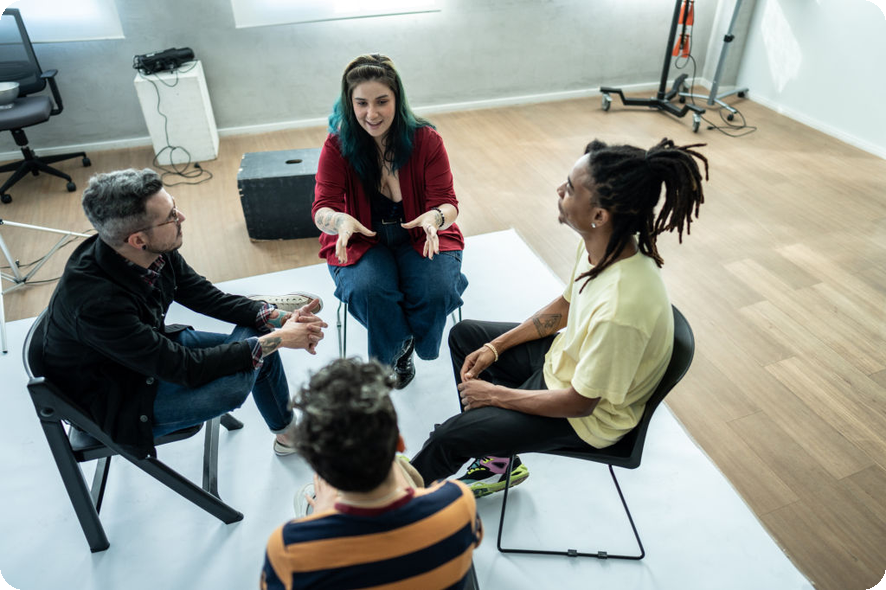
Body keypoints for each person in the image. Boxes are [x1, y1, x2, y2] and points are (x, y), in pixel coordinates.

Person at [410, 138, 708, 497]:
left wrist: (496, 396)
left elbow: (580, 403)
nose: (558, 190)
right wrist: (495, 347)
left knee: (448, 437)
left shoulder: (622, 310)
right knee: (467, 336)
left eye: (569, 188)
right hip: (565, 364)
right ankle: (497, 462)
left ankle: (386, 509)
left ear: (599, 216)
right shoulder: (603, 244)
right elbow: (566, 306)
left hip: (586, 418)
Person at [40, 168, 328, 460]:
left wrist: (280, 321)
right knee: (244, 371)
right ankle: (261, 320)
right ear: (137, 240)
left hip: (144, 354)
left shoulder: (149, 249)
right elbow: (186, 368)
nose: (182, 217)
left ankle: (287, 433)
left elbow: (202, 295)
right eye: (170, 217)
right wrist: (281, 337)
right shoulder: (96, 304)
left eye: (174, 206)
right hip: (119, 398)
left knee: (260, 341)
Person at [311, 53, 468, 389]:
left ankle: (405, 340)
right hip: (361, 239)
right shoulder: (337, 145)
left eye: (382, 101)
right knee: (369, 290)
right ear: (350, 103)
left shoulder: (426, 140)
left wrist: (436, 217)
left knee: (437, 290)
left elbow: (448, 203)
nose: (372, 114)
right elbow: (322, 207)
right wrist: (338, 221)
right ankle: (399, 350)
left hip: (421, 234)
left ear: (398, 99)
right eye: (361, 103)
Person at [261, 358, 482, 590]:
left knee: (304, 498)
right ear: (400, 442)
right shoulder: (458, 501)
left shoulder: (289, 548)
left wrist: (322, 517)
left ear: (319, 469)